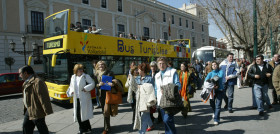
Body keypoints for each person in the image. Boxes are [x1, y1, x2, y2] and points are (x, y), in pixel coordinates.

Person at [19, 65, 53, 134]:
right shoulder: (26, 82)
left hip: (37, 111)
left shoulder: (37, 81)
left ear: (25, 73)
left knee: (42, 130)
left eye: (20, 73)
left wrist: (47, 110)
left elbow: (43, 96)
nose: (19, 75)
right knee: (26, 127)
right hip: (29, 110)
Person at [155, 57, 181, 134]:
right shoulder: (157, 75)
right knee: (166, 120)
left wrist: (167, 89)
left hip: (170, 100)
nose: (161, 65)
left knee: (167, 119)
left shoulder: (172, 72)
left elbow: (178, 85)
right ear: (157, 65)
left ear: (166, 64)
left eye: (163, 63)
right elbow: (156, 89)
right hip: (161, 101)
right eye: (160, 64)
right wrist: (155, 100)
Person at [67, 64, 95, 134]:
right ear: (76, 70)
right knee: (78, 114)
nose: (81, 70)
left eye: (81, 69)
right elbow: (71, 86)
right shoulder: (73, 77)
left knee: (84, 114)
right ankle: (84, 128)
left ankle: (85, 128)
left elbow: (92, 83)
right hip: (76, 98)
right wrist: (71, 91)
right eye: (79, 69)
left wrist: (86, 88)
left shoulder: (86, 76)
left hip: (84, 98)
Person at [134, 63, 155, 133]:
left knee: (144, 116)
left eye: (139, 70)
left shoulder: (149, 78)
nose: (138, 71)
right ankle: (151, 125)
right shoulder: (137, 78)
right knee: (145, 114)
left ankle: (142, 132)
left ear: (143, 70)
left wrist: (154, 102)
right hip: (138, 99)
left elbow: (152, 90)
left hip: (146, 100)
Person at [95, 61, 115, 134]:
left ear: (105, 65)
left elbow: (115, 82)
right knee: (104, 111)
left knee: (106, 111)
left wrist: (112, 84)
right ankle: (108, 125)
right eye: (100, 65)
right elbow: (95, 84)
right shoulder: (96, 73)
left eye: (102, 64)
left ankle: (106, 129)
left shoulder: (110, 72)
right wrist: (99, 85)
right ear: (97, 66)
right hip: (100, 95)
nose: (101, 66)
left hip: (107, 93)